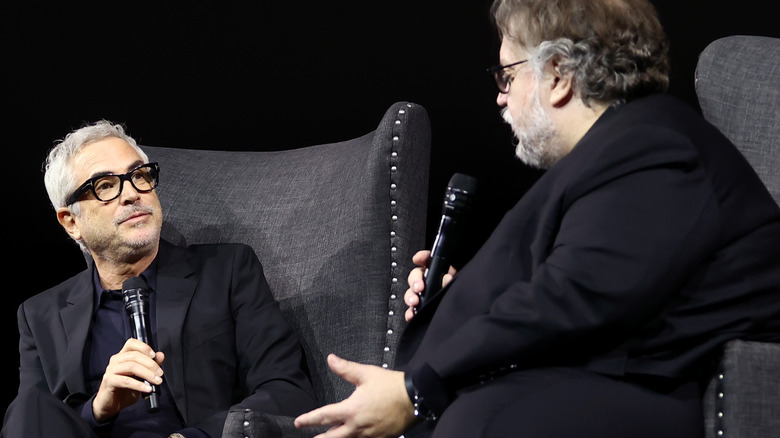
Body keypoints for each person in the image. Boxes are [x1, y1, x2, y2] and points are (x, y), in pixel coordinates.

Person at [293, 0, 780, 437]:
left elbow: (577, 296)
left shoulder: (651, 147)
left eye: (506, 75)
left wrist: (416, 390)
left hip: (665, 391)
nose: (500, 97)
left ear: (559, 74)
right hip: (609, 377)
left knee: (485, 419)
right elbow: (597, 282)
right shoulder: (614, 155)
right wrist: (457, 297)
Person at [2, 121, 319, 437]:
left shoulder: (226, 271)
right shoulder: (39, 314)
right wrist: (99, 408)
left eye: (138, 175)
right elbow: (33, 424)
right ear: (71, 222)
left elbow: (287, 391)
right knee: (28, 405)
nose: (131, 194)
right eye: (105, 186)